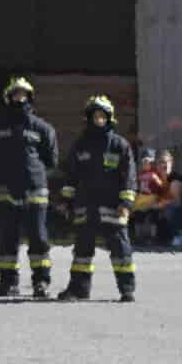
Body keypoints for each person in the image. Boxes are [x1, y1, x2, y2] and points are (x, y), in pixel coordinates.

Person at [57, 96, 137, 303]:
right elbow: (71, 176)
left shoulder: (120, 145)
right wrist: (66, 201)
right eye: (95, 116)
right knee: (82, 252)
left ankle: (127, 289)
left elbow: (129, 176)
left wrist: (126, 202)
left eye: (102, 116)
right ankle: (79, 290)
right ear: (89, 118)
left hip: (113, 207)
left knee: (121, 250)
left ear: (109, 118)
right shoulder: (80, 145)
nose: (99, 119)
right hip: (86, 206)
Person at [0, 77, 58, 298]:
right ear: (9, 97)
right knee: (7, 238)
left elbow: (51, 160)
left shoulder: (42, 128)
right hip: (5, 191)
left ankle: (41, 283)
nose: (19, 98)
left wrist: (34, 177)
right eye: (16, 94)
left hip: (34, 192)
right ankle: (8, 283)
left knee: (38, 237)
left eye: (23, 94)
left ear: (29, 97)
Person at [152, 149, 182, 248]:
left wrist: (159, 205)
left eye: (167, 161)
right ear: (157, 165)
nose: (165, 165)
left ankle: (180, 235)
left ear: (171, 162)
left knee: (169, 209)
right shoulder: (156, 179)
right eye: (161, 162)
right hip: (164, 210)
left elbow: (177, 202)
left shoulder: (176, 178)